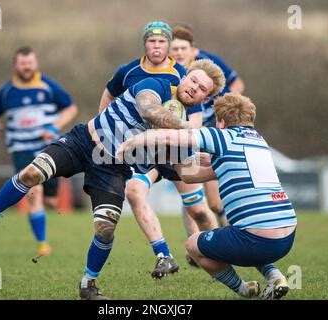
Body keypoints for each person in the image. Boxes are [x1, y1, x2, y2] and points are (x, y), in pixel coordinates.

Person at [0, 58, 225, 300]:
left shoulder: (185, 134)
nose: (194, 88)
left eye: (202, 90)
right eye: (194, 80)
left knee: (105, 229)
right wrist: (186, 127)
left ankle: (87, 284)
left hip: (113, 168)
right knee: (32, 172)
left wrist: (221, 164)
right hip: (82, 143)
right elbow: (148, 109)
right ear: (186, 75)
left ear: (204, 99)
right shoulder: (159, 84)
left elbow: (187, 170)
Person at [117, 93, 297, 299]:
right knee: (243, 231)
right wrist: (174, 158)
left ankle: (245, 289)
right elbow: (191, 176)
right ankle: (275, 276)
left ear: (220, 121)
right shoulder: (258, 142)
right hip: (287, 236)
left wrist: (135, 140)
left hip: (257, 239)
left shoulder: (222, 136)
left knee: (193, 244)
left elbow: (170, 136)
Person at [99, 21, 218, 279]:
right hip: (144, 152)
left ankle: (218, 251)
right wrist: (104, 130)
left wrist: (177, 135)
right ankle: (163, 255)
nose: (157, 45)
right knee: (134, 191)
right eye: (152, 41)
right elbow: (108, 95)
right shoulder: (128, 71)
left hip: (175, 152)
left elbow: (195, 123)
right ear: (145, 43)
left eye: (163, 41)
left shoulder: (182, 77)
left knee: (198, 210)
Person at [0, 46, 78, 256]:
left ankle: (43, 216)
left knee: (51, 201)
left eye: (30, 63)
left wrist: (54, 127)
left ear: (35, 64)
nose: (27, 67)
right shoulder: (6, 91)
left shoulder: (49, 86)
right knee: (33, 191)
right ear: (15, 65)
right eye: (22, 63)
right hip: (21, 148)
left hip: (48, 147)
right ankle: (43, 243)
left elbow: (71, 108)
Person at [170, 24, 246, 260]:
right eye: (175, 49)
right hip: (186, 136)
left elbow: (238, 84)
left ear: (193, 50)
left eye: (183, 48)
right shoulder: (168, 70)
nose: (179, 53)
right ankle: (196, 247)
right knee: (190, 190)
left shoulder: (208, 65)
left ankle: (230, 237)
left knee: (213, 201)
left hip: (210, 134)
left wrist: (224, 108)